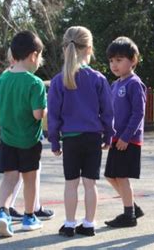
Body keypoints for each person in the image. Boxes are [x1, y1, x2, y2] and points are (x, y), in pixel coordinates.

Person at [48, 26, 114, 237]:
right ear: (89, 48)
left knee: (71, 184)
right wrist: (109, 134)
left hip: (70, 138)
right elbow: (107, 111)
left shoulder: (59, 80)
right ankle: (88, 223)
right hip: (93, 137)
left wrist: (54, 141)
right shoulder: (98, 79)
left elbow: (54, 115)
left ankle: (69, 223)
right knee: (90, 183)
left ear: (65, 47)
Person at [0, 31, 46, 237]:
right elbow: (37, 114)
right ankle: (29, 216)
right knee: (29, 179)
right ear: (33, 55)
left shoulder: (1, 80)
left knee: (9, 178)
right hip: (29, 140)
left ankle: (3, 213)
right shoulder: (35, 83)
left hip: (7, 138)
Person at [5, 47, 55, 222]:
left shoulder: (5, 78)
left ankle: (29, 207)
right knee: (26, 174)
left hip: (10, 135)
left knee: (19, 173)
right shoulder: (30, 81)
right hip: (27, 135)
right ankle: (27, 210)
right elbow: (37, 113)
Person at [104, 37, 146, 228]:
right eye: (112, 60)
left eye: (119, 60)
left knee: (121, 176)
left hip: (128, 140)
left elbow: (139, 113)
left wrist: (126, 137)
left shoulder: (134, 83)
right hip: (115, 139)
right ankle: (133, 207)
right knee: (111, 176)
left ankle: (129, 215)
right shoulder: (115, 85)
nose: (114, 64)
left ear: (133, 60)